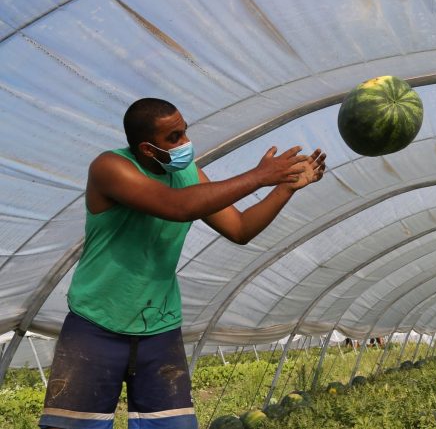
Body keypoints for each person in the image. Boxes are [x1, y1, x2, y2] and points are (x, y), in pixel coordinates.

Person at [39, 98, 326, 429]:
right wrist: (258, 176)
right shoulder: (110, 168)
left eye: (184, 132)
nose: (185, 144)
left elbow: (240, 228)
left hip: (159, 329)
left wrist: (285, 187)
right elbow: (177, 207)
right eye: (174, 138)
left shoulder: (189, 175)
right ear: (147, 149)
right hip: (96, 326)